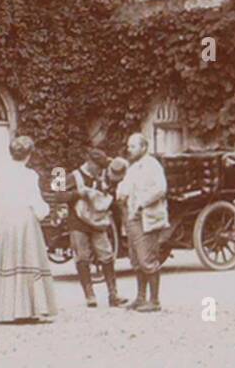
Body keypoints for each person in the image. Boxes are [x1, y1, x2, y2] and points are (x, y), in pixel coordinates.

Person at [0, 135, 58, 323]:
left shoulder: (1, 173)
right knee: (30, 259)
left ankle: (8, 310)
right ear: (28, 155)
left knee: (11, 261)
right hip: (25, 219)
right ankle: (30, 309)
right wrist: (44, 212)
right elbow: (35, 202)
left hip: (8, 220)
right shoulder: (30, 175)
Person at [55, 148, 125, 307]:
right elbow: (58, 195)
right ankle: (90, 295)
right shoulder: (73, 176)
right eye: (98, 166)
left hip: (98, 222)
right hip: (78, 223)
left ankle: (113, 295)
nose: (100, 170)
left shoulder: (101, 177)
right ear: (90, 163)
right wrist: (78, 194)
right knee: (82, 257)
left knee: (107, 255)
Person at [117, 133, 169, 312]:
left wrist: (142, 203)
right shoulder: (132, 168)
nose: (129, 149)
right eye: (129, 146)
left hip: (147, 217)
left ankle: (154, 301)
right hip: (132, 218)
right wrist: (121, 194)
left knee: (148, 259)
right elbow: (125, 186)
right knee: (136, 259)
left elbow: (161, 189)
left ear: (144, 148)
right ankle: (140, 298)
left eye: (133, 146)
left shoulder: (153, 166)